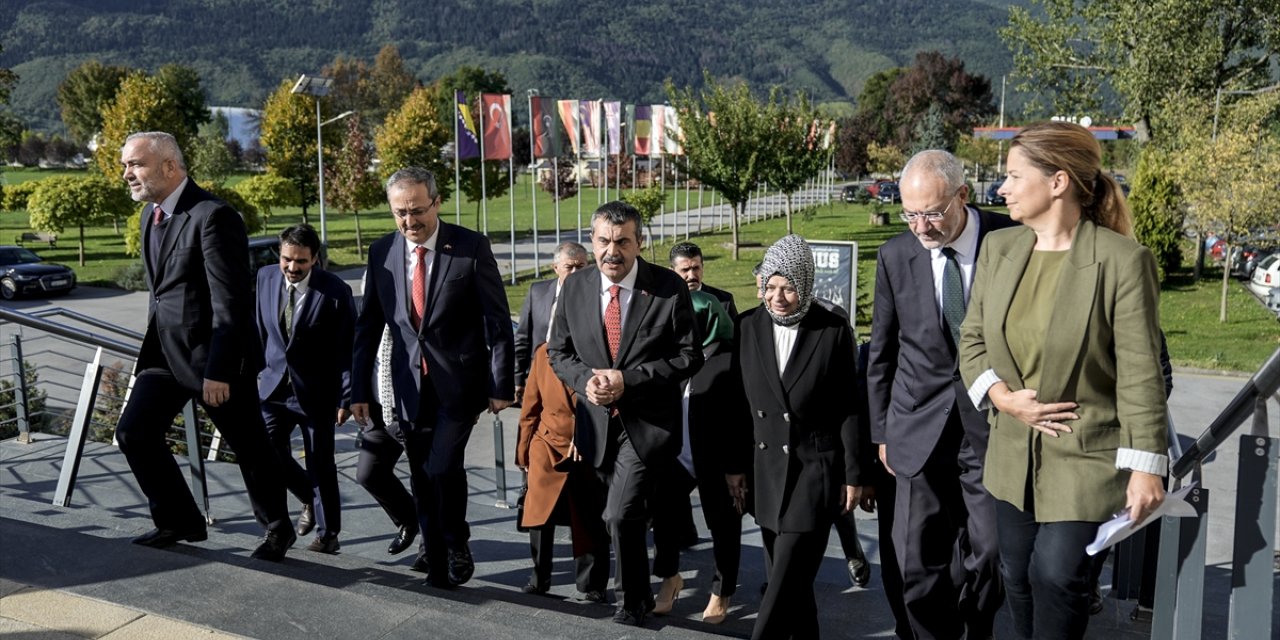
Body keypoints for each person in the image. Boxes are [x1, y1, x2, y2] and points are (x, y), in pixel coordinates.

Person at [960, 121, 1168, 640]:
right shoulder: (999, 249)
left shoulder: (1122, 262)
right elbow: (971, 342)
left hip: (1086, 456)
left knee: (1055, 574)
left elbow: (1141, 370)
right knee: (1018, 576)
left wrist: (1147, 467)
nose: (1000, 189)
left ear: (1057, 182)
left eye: (1011, 176)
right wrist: (1004, 399)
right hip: (1012, 456)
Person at [114, 131, 294, 561]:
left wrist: (220, 369)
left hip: (215, 358)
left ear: (169, 167)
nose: (126, 174)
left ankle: (278, 528)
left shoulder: (214, 216)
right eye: (125, 165)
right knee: (133, 432)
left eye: (134, 164)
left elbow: (229, 302)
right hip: (164, 355)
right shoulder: (148, 217)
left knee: (249, 447)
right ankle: (179, 521)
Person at [867, 149, 1016, 639]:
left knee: (993, 553)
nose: (921, 226)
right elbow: (882, 353)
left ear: (963, 196)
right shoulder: (893, 256)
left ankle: (977, 627)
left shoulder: (1012, 238)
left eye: (932, 212)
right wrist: (882, 431)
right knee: (914, 561)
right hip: (915, 425)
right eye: (910, 213)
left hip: (992, 426)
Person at [350, 167, 515, 588]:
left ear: (437, 202)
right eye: (400, 213)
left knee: (441, 467)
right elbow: (368, 326)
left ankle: (455, 540)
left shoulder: (469, 247)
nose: (409, 221)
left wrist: (501, 384)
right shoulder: (382, 252)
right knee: (422, 474)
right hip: (407, 389)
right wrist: (356, 390)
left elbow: (498, 322)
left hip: (459, 386)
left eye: (417, 210)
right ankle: (438, 561)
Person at [547, 201, 703, 626]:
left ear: (639, 243)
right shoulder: (575, 287)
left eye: (621, 242)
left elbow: (690, 356)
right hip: (596, 426)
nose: (611, 251)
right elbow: (558, 353)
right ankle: (649, 584)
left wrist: (629, 379)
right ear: (593, 240)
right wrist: (586, 381)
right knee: (624, 515)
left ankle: (631, 601)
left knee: (619, 512)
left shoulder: (668, 288)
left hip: (648, 426)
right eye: (602, 241)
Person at [728, 234, 864, 640]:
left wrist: (853, 474)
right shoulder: (747, 326)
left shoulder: (833, 329)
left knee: (783, 578)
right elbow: (737, 406)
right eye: (770, 286)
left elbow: (849, 408)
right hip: (766, 473)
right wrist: (734, 468)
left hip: (814, 472)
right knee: (794, 583)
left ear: (805, 285)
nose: (779, 296)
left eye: (788, 286)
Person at [255, 223, 355, 554]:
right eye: (287, 259)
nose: (292, 267)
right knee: (265, 452)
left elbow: (346, 349)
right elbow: (260, 332)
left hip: (316, 393)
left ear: (314, 259)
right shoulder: (265, 278)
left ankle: (328, 536)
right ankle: (306, 498)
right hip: (272, 390)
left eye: (301, 261)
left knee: (320, 463)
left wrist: (346, 395)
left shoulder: (335, 291)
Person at [648, 290, 746, 624]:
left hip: (717, 462)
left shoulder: (731, 359)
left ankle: (722, 591)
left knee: (723, 526)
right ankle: (669, 576)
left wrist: (735, 468)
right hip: (678, 455)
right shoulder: (680, 356)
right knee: (662, 512)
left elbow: (738, 420)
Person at [515, 341, 611, 601]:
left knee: (590, 518)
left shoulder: (600, 351)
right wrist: (523, 451)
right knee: (539, 514)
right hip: (546, 443)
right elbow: (530, 407)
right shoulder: (543, 353)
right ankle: (538, 579)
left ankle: (593, 584)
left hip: (589, 450)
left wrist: (585, 435)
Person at [353, 326, 420, 557]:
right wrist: (355, 396)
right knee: (369, 473)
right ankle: (409, 520)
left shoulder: (411, 311)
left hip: (412, 411)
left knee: (426, 481)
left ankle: (432, 550)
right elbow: (359, 352)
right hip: (379, 412)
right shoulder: (370, 310)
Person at [513, 241, 589, 400]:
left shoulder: (596, 297)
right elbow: (522, 339)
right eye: (569, 267)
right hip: (540, 374)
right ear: (556, 268)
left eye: (580, 266)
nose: (575, 272)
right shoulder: (537, 292)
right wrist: (518, 378)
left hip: (577, 376)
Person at [670, 241, 739, 317]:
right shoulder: (664, 302)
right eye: (685, 270)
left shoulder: (724, 301)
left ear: (702, 267)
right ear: (672, 272)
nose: (691, 276)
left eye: (696, 268)